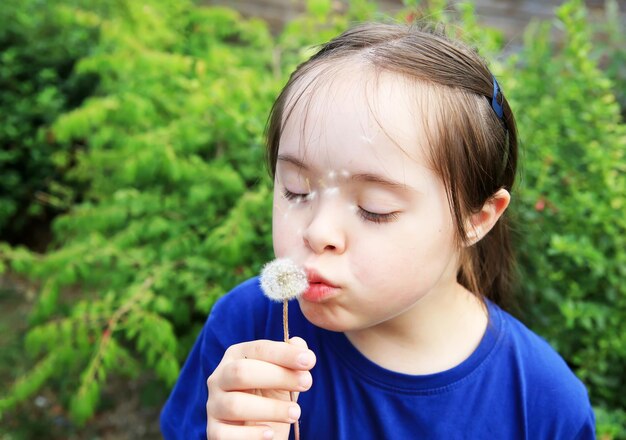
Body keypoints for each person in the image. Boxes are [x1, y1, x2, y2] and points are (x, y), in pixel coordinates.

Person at [160, 21, 596, 440]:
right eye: (296, 190)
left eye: (374, 209)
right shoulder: (246, 328)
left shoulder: (542, 404)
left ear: (477, 218)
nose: (318, 232)